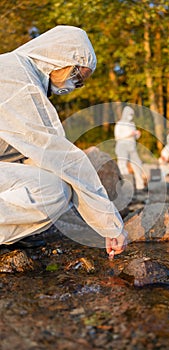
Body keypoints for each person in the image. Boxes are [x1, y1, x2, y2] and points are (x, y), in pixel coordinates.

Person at [0, 25, 127, 257]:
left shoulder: (17, 71)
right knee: (53, 190)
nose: (74, 86)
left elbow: (30, 155)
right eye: (77, 76)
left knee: (49, 177)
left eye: (80, 83)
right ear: (61, 58)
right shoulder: (18, 81)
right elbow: (61, 157)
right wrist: (111, 225)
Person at [114, 106, 145, 193]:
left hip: (132, 147)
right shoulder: (119, 124)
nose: (131, 116)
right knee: (122, 165)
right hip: (122, 146)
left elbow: (134, 136)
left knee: (137, 164)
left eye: (132, 114)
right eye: (129, 114)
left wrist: (137, 134)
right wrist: (129, 134)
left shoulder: (132, 124)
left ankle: (140, 186)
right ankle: (126, 186)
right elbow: (117, 137)